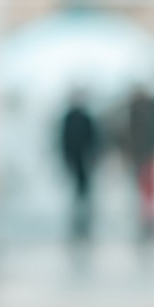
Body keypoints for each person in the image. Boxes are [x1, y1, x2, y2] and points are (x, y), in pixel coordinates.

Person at [122, 86, 154, 240]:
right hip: (145, 154)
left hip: (144, 155)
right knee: (147, 190)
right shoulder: (147, 110)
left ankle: (149, 219)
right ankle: (149, 219)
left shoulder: (137, 111)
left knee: (146, 189)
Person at [57, 90, 101, 242]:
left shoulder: (86, 118)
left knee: (85, 189)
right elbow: (64, 139)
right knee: (76, 190)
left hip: (85, 158)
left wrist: (94, 156)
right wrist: (66, 157)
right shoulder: (68, 118)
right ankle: (78, 219)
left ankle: (86, 219)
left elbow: (94, 138)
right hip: (74, 158)